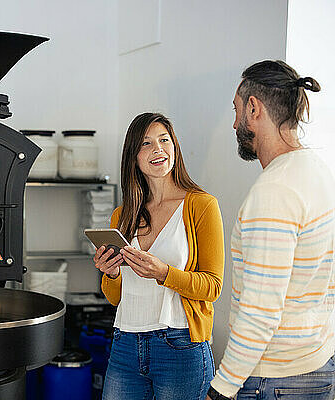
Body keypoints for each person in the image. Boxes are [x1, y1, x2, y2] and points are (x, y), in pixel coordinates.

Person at [206, 60, 335, 400]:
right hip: (316, 365)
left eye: (237, 111)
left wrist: (221, 389)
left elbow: (260, 312)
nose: (235, 123)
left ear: (254, 108)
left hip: (274, 379)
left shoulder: (274, 192)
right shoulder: (319, 171)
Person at [94, 112, 225, 400]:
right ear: (134, 157)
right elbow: (116, 298)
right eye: (146, 143)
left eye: (164, 140)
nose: (158, 149)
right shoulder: (122, 215)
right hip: (126, 344)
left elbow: (213, 287)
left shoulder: (201, 205)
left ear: (175, 147)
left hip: (180, 345)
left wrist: (164, 273)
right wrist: (111, 273)